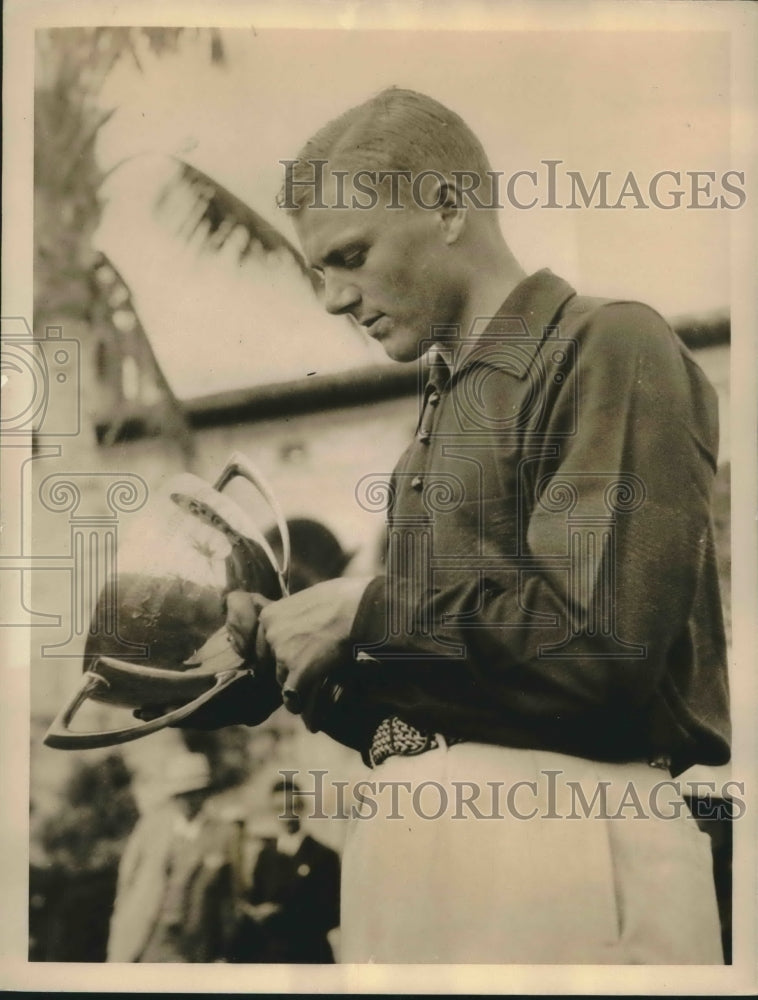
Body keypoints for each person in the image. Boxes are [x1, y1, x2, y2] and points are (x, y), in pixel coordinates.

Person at [195, 88, 730, 964]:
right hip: (415, 850)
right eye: (319, 271)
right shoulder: (440, 416)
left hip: (564, 837)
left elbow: (600, 649)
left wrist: (364, 614)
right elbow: (443, 706)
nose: (332, 299)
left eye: (350, 256)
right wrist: (297, 666)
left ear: (448, 207)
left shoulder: (607, 343)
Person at [107, 753, 237, 963]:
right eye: (181, 794)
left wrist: (225, 950)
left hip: (197, 942)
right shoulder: (151, 828)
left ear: (205, 793)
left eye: (194, 793)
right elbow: (127, 879)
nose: (187, 801)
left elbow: (230, 897)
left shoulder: (224, 834)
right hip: (149, 933)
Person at [227, 777, 341, 963]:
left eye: (292, 807)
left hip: (310, 955)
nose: (286, 815)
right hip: (272, 956)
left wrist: (281, 913)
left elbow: (332, 915)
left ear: (302, 807)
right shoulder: (266, 855)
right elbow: (256, 900)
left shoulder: (323, 856)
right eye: (279, 809)